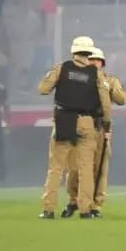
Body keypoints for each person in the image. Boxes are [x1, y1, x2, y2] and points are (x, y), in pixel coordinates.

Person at [38, 36, 112, 219]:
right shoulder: (97, 74)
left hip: (64, 119)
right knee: (86, 168)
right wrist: (107, 123)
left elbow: (43, 89)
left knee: (56, 167)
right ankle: (86, 209)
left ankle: (49, 209)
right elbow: (106, 103)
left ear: (73, 51)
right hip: (88, 123)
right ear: (90, 52)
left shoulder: (62, 68)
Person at [61, 48, 126, 218]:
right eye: (91, 60)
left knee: (100, 169)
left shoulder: (109, 80)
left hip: (100, 128)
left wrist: (109, 87)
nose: (94, 63)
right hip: (82, 124)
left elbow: (122, 100)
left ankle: (96, 205)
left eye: (97, 60)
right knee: (75, 167)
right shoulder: (80, 79)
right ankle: (74, 199)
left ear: (103, 63)